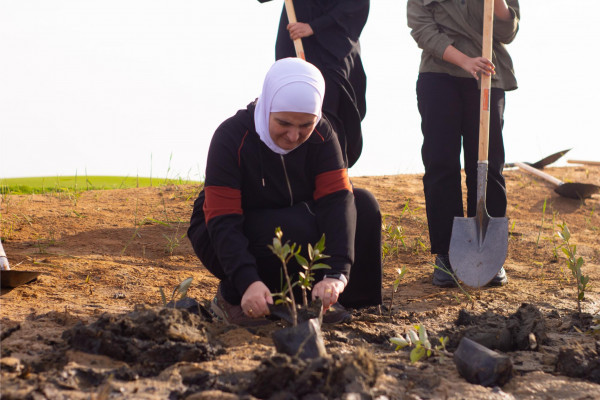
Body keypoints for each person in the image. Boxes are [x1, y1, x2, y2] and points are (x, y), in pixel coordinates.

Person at [187, 58, 382, 326]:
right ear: (267, 107)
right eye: (284, 123)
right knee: (294, 227)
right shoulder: (231, 137)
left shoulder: (323, 135)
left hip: (292, 218)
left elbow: (337, 201)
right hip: (224, 229)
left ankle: (333, 300)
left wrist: (337, 273)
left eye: (305, 125)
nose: (294, 136)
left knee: (364, 206)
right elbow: (223, 219)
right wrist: (247, 282)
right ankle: (233, 298)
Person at [407, 0, 520, 287]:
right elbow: (422, 28)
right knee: (441, 162)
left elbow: (507, 31)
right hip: (439, 75)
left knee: (488, 164)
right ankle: (446, 253)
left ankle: (489, 255)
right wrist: (465, 61)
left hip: (487, 76)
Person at [258, 0, 370, 169]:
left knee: (329, 115)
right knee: (291, 107)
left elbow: (355, 5)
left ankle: (332, 175)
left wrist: (314, 27)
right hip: (294, 43)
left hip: (333, 49)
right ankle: (294, 174)